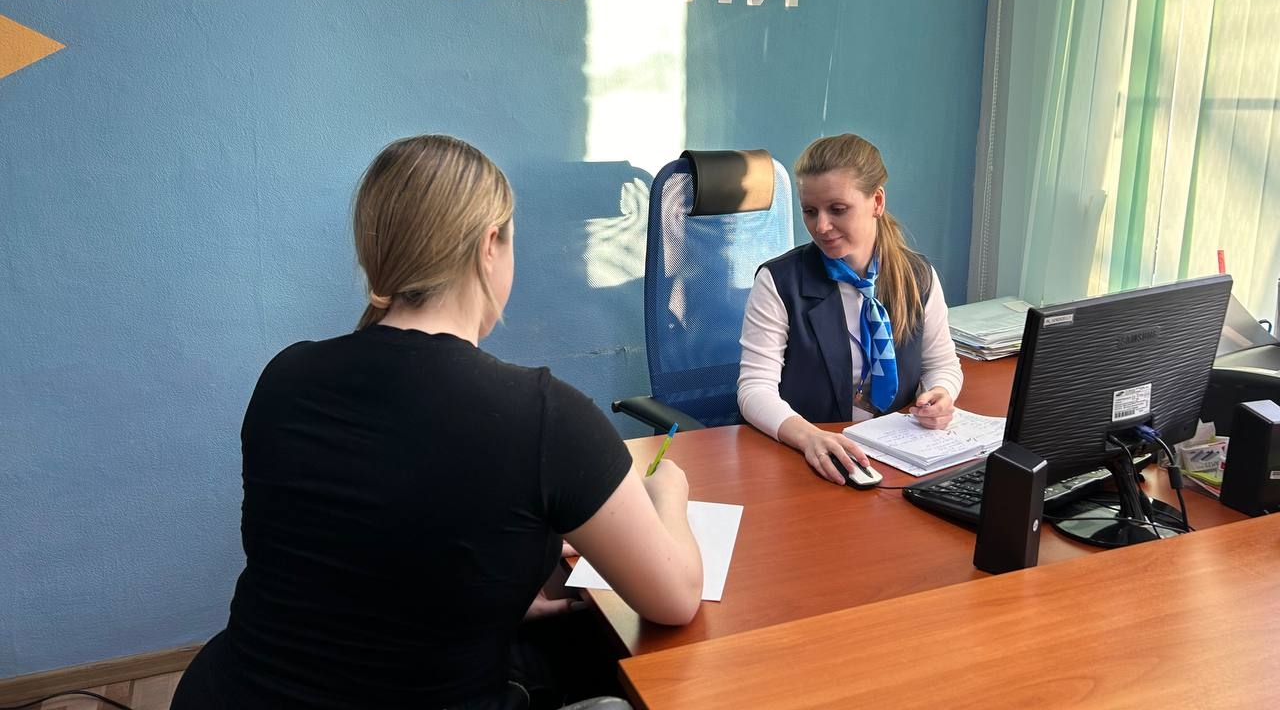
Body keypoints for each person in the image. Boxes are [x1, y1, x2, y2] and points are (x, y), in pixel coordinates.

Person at [173, 134, 702, 710]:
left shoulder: (285, 376)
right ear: (489, 246)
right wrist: (666, 494)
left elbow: (353, 553)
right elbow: (675, 599)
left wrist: (496, 599)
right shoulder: (544, 415)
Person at [737, 133, 963, 484]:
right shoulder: (779, 281)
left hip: (897, 456)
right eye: (810, 211)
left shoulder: (918, 276)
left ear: (877, 201)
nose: (821, 226)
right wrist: (809, 437)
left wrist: (942, 394)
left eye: (837, 209)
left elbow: (942, 364)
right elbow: (754, 389)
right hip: (810, 458)